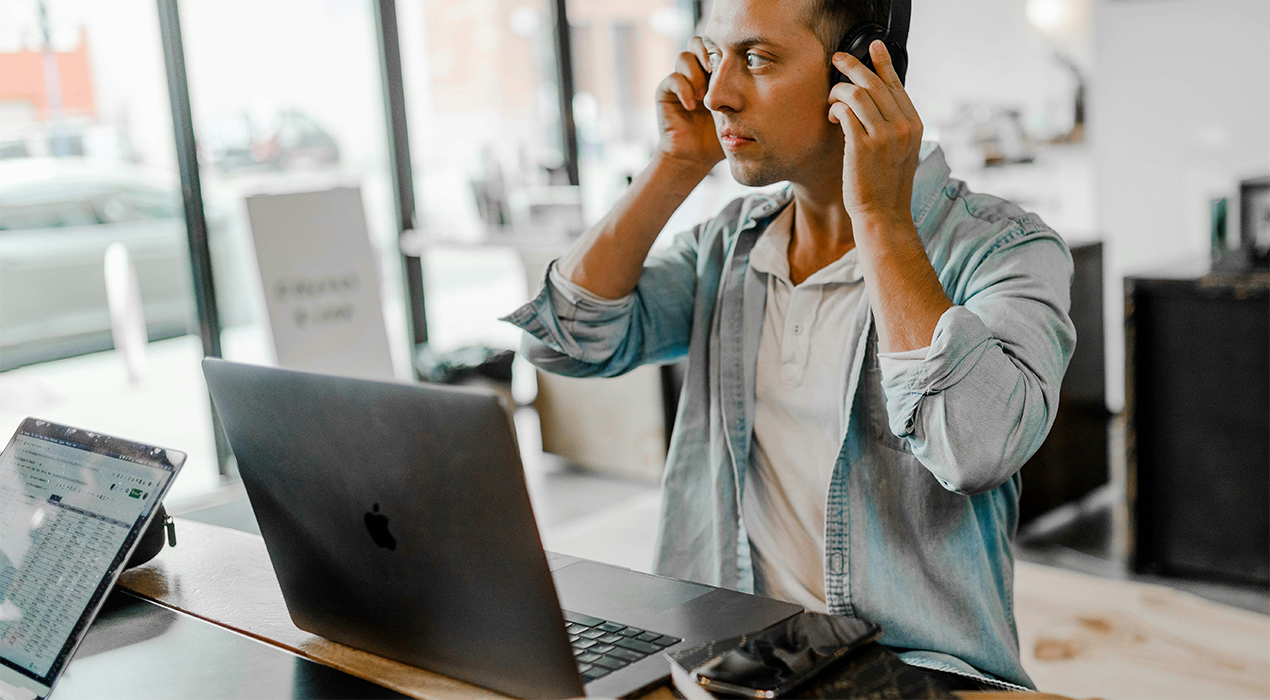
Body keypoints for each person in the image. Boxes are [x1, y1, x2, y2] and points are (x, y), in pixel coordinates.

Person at [502, 0, 1074, 689]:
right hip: (725, 662)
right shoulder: (730, 244)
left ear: (859, 69)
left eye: (756, 58)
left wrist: (882, 217)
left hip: (912, 677)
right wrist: (675, 165)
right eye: (714, 57)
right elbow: (567, 341)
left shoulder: (1004, 250)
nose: (716, 95)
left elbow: (975, 447)